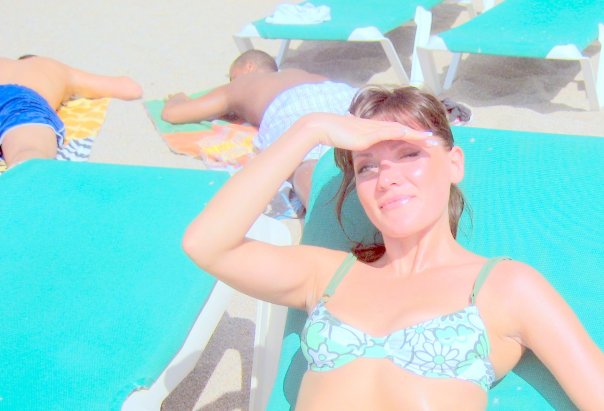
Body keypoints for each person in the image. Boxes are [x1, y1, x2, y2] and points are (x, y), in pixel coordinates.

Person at [182, 85, 604, 410]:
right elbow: (206, 244)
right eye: (367, 166)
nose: (387, 177)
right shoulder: (327, 275)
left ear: (454, 163)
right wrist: (309, 129)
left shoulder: (504, 287)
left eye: (409, 155)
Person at [161, 49, 357, 208]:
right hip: (344, 94)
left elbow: (173, 114)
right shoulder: (302, 74)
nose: (232, 82)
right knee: (364, 147)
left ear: (249, 67)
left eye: (232, 77)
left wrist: (178, 98)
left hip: (294, 105)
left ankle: (334, 219)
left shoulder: (243, 83)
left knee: (303, 162)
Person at [0, 55, 143, 168]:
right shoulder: (51, 67)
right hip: (20, 101)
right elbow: (131, 90)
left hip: (16, 96)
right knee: (29, 158)